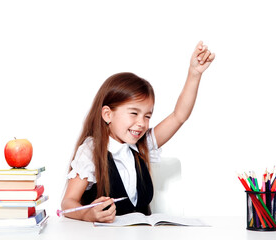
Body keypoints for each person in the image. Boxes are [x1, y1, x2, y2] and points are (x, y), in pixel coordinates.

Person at [61, 41, 215, 223]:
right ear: (107, 114)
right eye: (134, 113)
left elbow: (179, 116)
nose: (141, 123)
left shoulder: (143, 145)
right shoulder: (91, 150)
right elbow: (68, 203)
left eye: (147, 116)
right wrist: (88, 214)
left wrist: (194, 73)